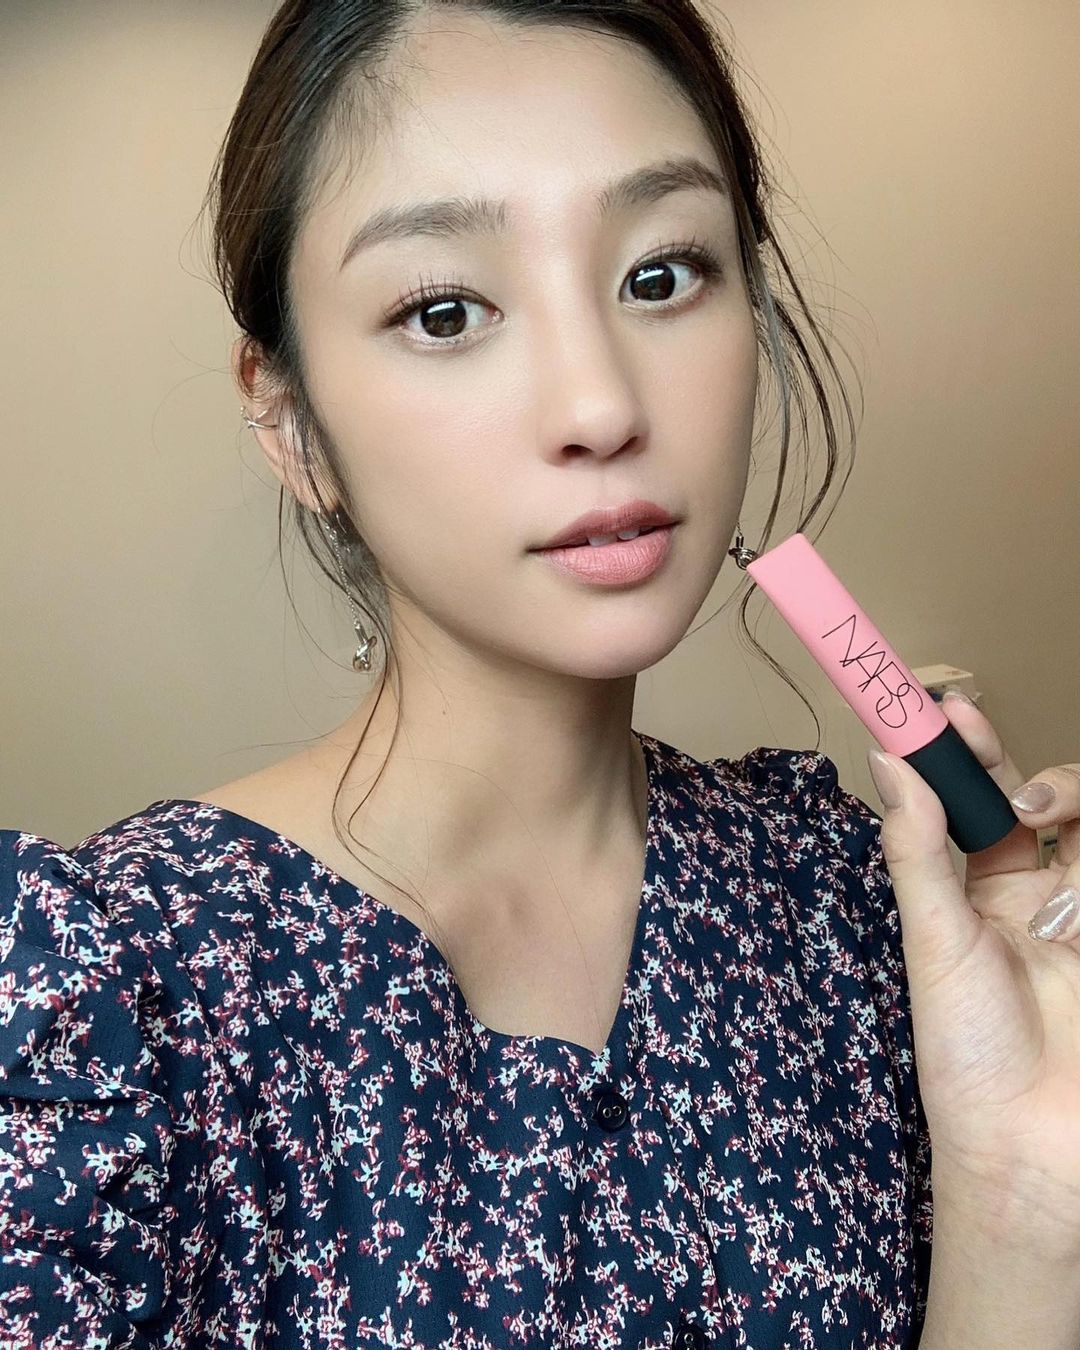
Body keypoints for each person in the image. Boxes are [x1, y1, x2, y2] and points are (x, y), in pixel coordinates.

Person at [5, 4, 1080, 1347]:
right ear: (292, 424)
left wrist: (1026, 1185)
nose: (602, 407)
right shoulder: (106, 997)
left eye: (662, 274)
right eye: (446, 310)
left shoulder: (841, 900)